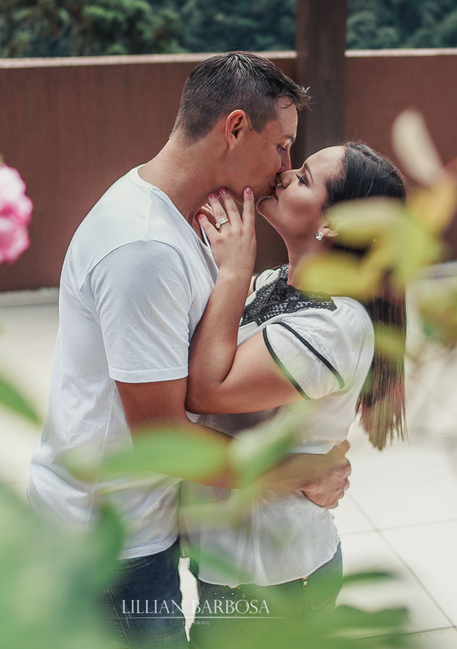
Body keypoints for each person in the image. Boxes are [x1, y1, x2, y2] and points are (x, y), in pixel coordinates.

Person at [26, 52, 354, 649]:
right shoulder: (144, 247)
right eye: (281, 146)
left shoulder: (186, 221)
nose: (284, 168)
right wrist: (296, 472)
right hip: (109, 543)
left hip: (145, 523)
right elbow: (160, 434)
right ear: (234, 128)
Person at [181, 142, 407, 645]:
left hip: (272, 578)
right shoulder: (271, 283)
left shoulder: (335, 324)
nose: (283, 175)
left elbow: (205, 390)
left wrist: (233, 271)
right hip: (231, 558)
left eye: (303, 178)